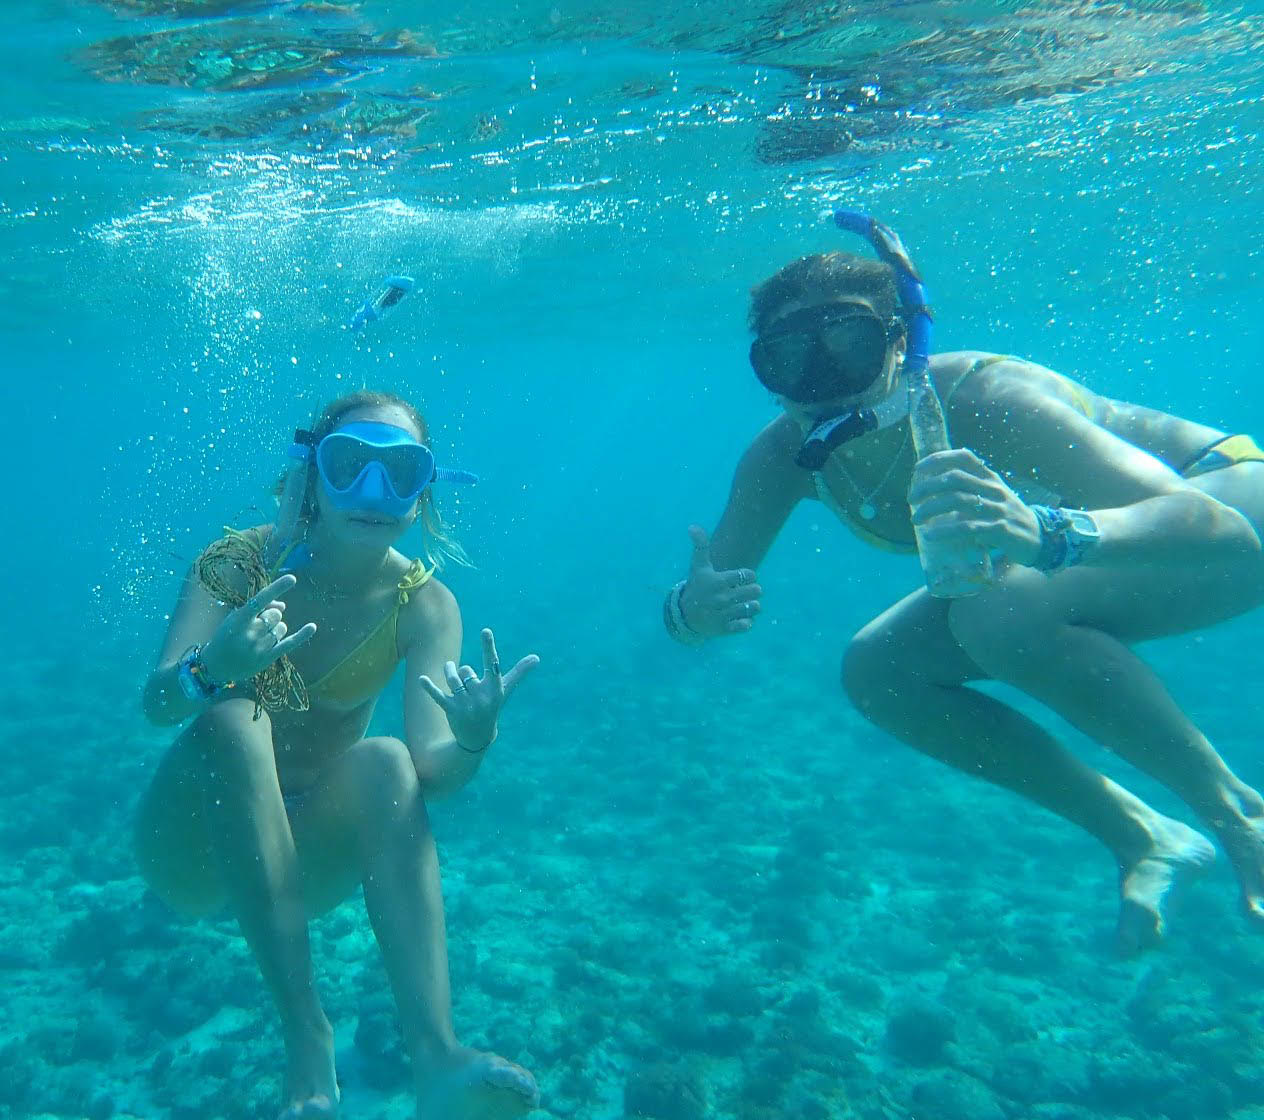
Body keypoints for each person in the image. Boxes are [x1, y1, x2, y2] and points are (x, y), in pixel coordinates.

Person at [664, 227, 1264, 955]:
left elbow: (1219, 529)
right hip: (1070, 571)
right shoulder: (784, 459)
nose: (823, 377)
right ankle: (1146, 837)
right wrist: (691, 614)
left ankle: (1238, 816)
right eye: (790, 356)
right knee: (878, 673)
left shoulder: (986, 400)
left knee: (995, 606)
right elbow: (703, 591)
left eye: (849, 343)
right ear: (766, 372)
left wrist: (1046, 532)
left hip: (1227, 504)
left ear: (900, 342)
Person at [137, 390, 541, 1120]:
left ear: (425, 490)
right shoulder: (236, 563)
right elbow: (156, 705)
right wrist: (210, 667)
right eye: (350, 464)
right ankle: (307, 1043)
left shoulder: (425, 606)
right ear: (311, 475)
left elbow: (432, 777)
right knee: (232, 719)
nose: (374, 492)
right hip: (190, 856)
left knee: (387, 760)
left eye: (403, 471)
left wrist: (476, 738)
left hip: (300, 867)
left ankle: (438, 1058)